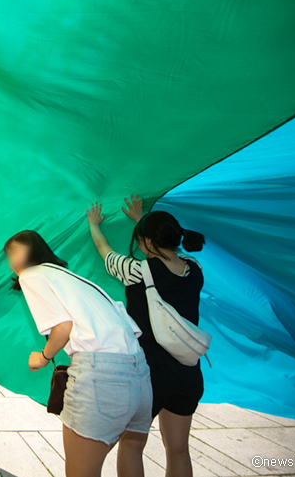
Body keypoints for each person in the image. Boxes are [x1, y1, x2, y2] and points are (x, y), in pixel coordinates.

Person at [6, 230, 152, 477]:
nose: (12, 260)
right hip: (139, 374)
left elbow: (63, 328)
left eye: (14, 251)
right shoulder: (74, 278)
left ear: (32, 252)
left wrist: (42, 357)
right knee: (132, 450)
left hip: (101, 376)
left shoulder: (32, 274)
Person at [87, 196, 206, 477]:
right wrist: (143, 221)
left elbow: (104, 249)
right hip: (189, 372)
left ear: (148, 242)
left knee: (131, 445)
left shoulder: (137, 271)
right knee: (178, 450)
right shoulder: (194, 269)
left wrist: (94, 224)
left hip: (150, 374)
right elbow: (163, 249)